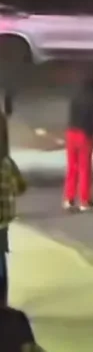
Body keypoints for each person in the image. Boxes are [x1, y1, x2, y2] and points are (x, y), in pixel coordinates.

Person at [63, 73, 93, 211]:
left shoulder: (75, 95)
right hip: (84, 134)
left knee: (72, 167)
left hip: (70, 132)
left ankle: (68, 199)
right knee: (84, 168)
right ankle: (84, 201)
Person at [0, 111, 26, 306]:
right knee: (0, 260)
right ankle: (2, 303)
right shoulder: (7, 163)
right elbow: (21, 188)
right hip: (2, 221)